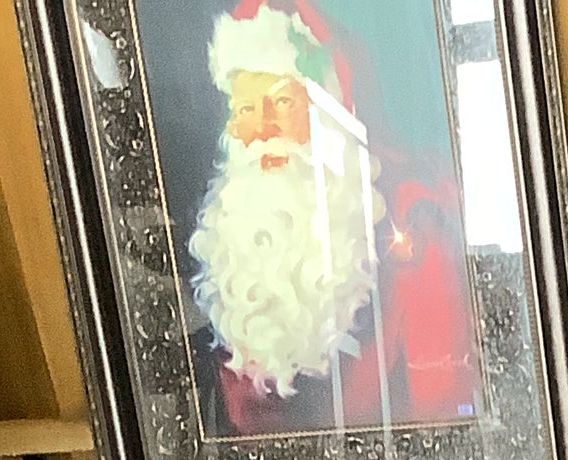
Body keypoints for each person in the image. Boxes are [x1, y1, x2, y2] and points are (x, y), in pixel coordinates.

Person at [189, 0, 479, 437]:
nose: (263, 128)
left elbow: (442, 420)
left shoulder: (411, 223)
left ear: (328, 107)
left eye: (282, 102)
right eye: (246, 108)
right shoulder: (232, 238)